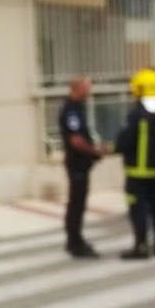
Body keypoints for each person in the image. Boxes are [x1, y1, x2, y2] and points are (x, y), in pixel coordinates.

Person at [116, 68, 155, 259]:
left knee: (138, 210)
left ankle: (141, 247)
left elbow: (123, 143)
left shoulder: (136, 115)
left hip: (137, 173)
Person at [58, 77, 103, 258]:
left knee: (78, 203)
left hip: (81, 165)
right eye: (87, 87)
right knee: (76, 204)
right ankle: (75, 243)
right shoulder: (71, 111)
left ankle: (74, 239)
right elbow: (76, 141)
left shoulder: (78, 107)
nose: (89, 90)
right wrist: (94, 151)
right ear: (76, 88)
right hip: (77, 164)